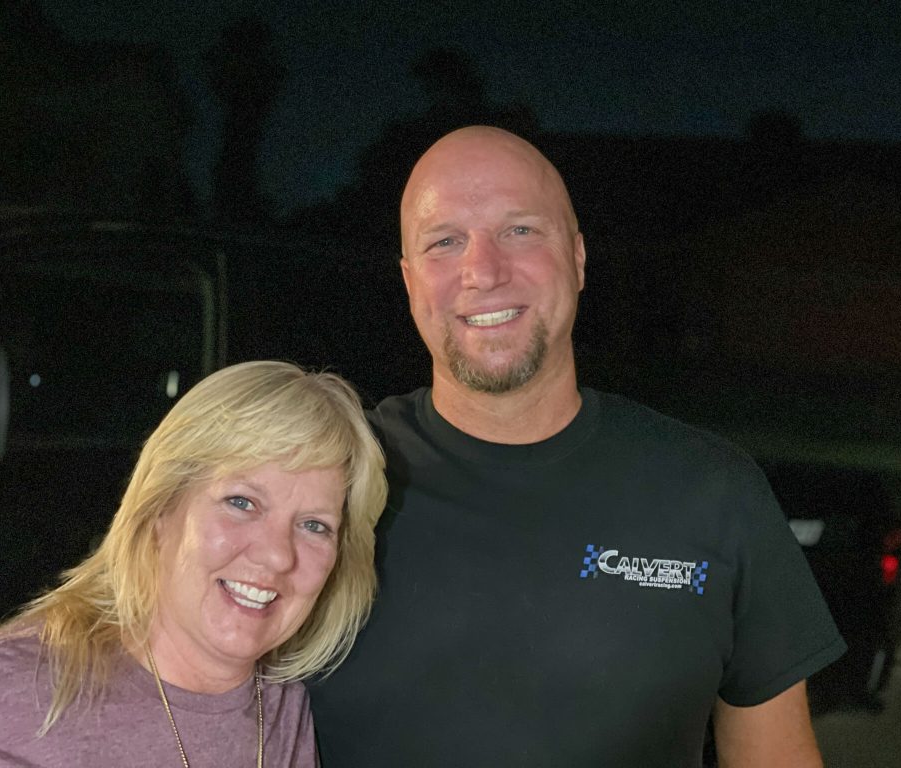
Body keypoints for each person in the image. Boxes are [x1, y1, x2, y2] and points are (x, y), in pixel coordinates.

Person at [305, 126, 845, 767]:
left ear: (580, 258)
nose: (483, 270)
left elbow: (775, 757)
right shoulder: (320, 482)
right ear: (409, 280)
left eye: (521, 231)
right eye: (444, 242)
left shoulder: (713, 492)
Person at [0, 360, 386, 767]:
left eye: (313, 526)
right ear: (159, 511)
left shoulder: (285, 709)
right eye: (241, 502)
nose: (277, 554)